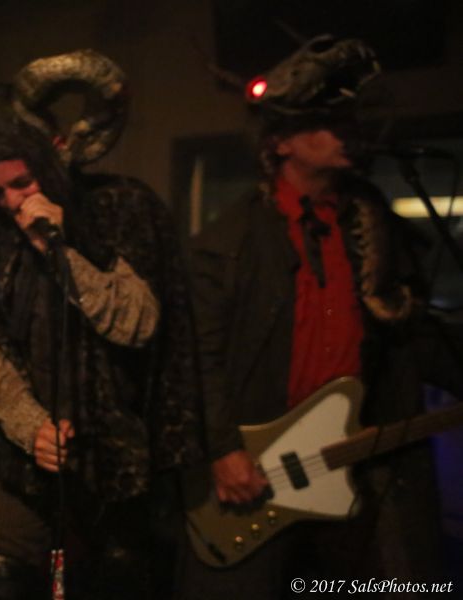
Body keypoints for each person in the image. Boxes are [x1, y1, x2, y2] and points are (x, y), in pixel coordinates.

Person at [0, 50, 203, 599]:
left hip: (118, 457)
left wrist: (61, 253)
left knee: (119, 577)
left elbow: (138, 323)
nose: (11, 202)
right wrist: (31, 427)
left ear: (54, 153)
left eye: (21, 183)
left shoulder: (120, 208)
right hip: (26, 459)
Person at [181, 36, 463, 598]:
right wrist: (222, 449)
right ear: (281, 142)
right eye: (327, 124)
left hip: (356, 469)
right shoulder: (231, 241)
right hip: (262, 471)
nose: (346, 133)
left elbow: (417, 339)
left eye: (347, 121)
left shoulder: (377, 228)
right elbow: (198, 358)